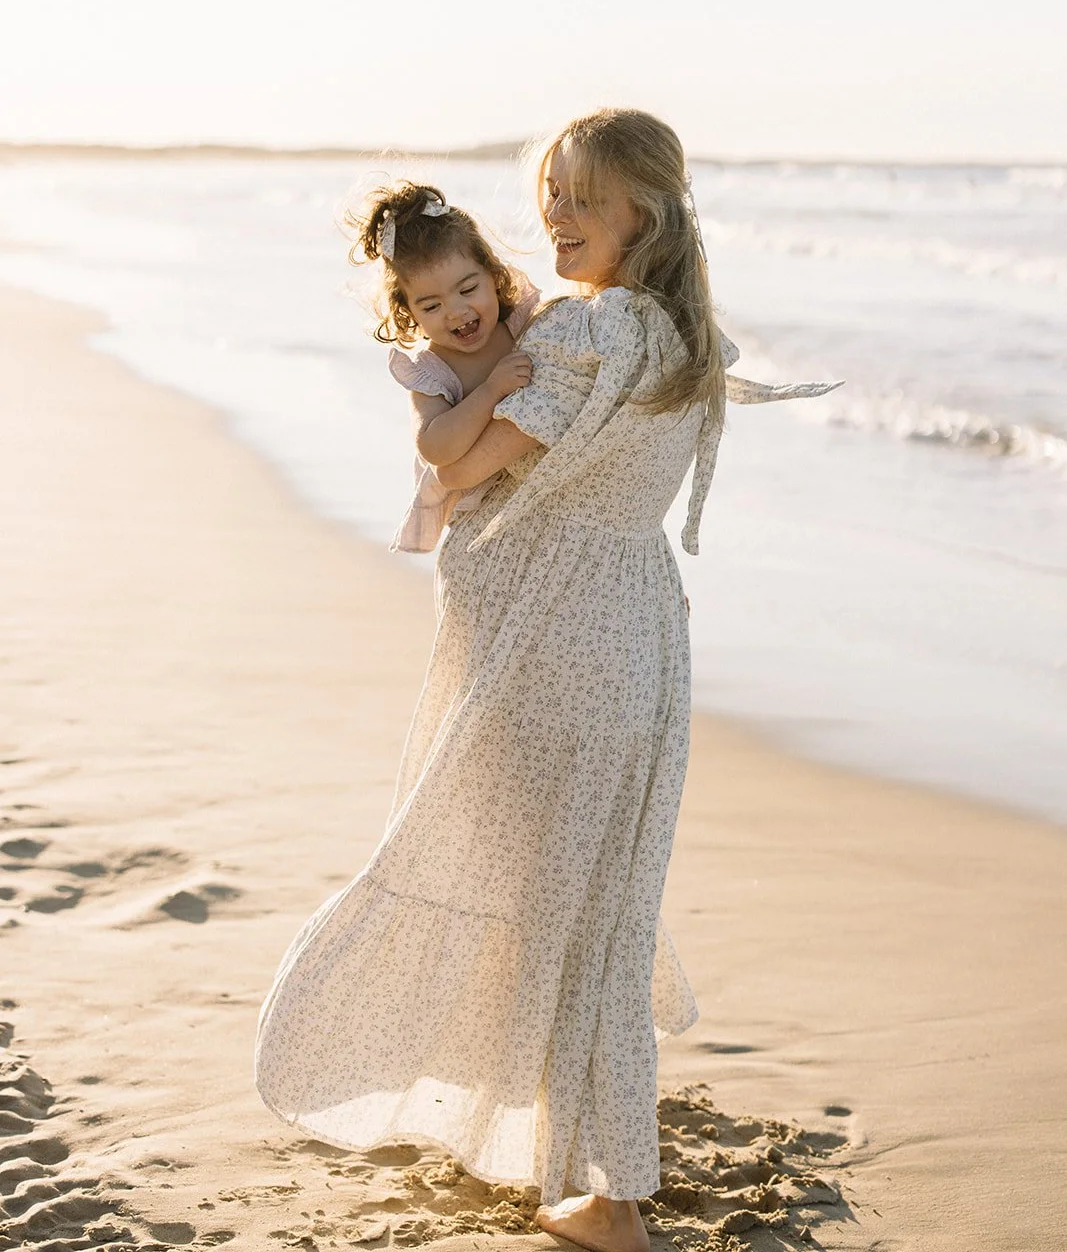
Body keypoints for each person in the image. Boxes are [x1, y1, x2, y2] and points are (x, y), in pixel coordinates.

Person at [256, 109, 842, 1252]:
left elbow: (464, 459)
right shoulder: (677, 329)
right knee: (595, 914)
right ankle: (597, 1173)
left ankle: (609, 1199)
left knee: (547, 907)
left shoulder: (584, 334)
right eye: (548, 194)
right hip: (634, 631)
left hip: (551, 646)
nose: (555, 216)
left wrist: (456, 412)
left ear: (645, 211)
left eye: (577, 195)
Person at [347, 179, 541, 553]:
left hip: (542, 505)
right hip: (481, 533)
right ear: (408, 313)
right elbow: (435, 448)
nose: (455, 311)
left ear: (493, 275)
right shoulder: (431, 372)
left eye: (468, 290)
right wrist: (490, 391)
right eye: (431, 306)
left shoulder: (524, 324)